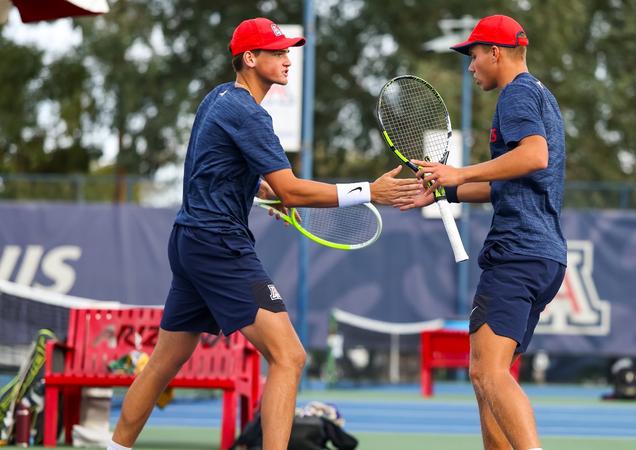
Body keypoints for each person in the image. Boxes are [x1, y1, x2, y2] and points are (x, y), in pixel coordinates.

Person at [107, 17, 418, 450]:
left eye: (287, 51)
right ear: (249, 58)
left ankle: (114, 447)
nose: (287, 59)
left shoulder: (218, 98)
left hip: (190, 240)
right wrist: (371, 191)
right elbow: (292, 190)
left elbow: (214, 166)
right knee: (290, 356)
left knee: (162, 364)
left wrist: (258, 187)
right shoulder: (249, 114)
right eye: (277, 52)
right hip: (219, 244)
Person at [400, 15, 567, 450]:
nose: (470, 66)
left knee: (487, 373)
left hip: (518, 252)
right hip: (543, 254)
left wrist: (458, 171)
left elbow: (534, 156)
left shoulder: (516, 95)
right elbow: (509, 181)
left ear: (495, 52)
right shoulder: (539, 94)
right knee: (487, 377)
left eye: (473, 55)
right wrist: (449, 190)